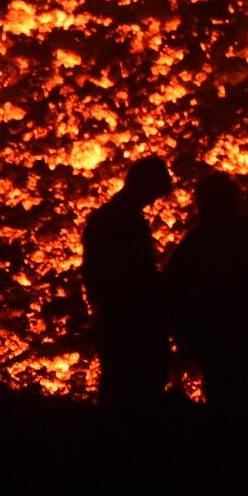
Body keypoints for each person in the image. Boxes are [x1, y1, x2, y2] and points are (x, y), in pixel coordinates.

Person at [166, 172, 248, 417]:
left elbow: (175, 290)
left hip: (221, 345)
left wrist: (186, 340)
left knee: (229, 411)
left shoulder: (197, 243)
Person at [81, 155, 174, 413]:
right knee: (133, 386)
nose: (154, 200)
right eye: (154, 192)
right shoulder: (123, 221)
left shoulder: (111, 217)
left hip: (114, 316)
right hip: (128, 318)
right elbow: (133, 274)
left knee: (119, 385)